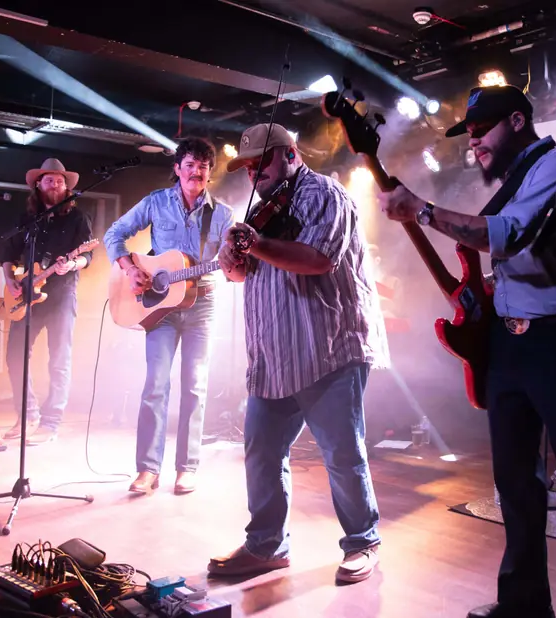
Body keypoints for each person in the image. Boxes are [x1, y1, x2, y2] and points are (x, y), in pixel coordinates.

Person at [380, 86, 556, 618]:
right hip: (510, 342)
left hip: (555, 341)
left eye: (482, 128)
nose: (473, 140)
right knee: (515, 485)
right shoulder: (515, 181)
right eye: (468, 132)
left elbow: (511, 235)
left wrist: (424, 211)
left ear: (519, 121)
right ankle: (524, 602)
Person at [208, 123, 389, 585]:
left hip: (326, 348)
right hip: (274, 354)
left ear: (289, 153)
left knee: (342, 455)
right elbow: (242, 276)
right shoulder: (261, 210)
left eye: (260, 163)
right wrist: (233, 260)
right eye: (247, 167)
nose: (253, 174)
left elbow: (316, 259)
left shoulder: (326, 195)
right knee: (262, 451)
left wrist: (257, 243)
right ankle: (267, 546)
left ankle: (362, 542)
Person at [103, 138, 234, 495]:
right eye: (190, 164)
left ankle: (187, 468)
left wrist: (236, 262)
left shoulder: (222, 214)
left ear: (210, 172)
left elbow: (232, 266)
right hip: (160, 307)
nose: (197, 171)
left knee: (194, 387)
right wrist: (130, 268)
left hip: (201, 303)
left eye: (204, 166)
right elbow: (114, 233)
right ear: (177, 168)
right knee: (155, 386)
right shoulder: (156, 203)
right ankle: (148, 469)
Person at [2, 158, 93, 445]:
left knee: (59, 361)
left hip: (62, 293)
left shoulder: (78, 218)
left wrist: (72, 263)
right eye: (49, 179)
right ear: (38, 185)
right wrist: (9, 280)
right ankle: (27, 415)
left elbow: (89, 255)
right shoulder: (27, 219)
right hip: (27, 295)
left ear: (66, 187)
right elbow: (8, 252)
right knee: (15, 356)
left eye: (60, 180)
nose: (55, 183)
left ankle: (50, 422)